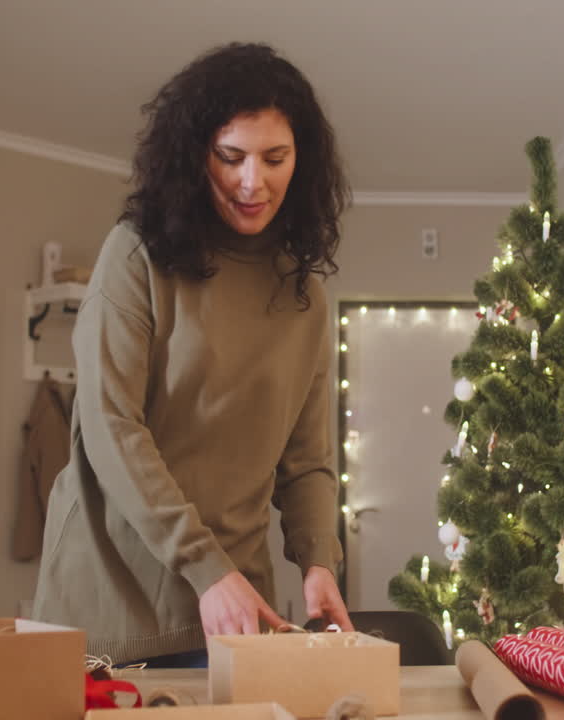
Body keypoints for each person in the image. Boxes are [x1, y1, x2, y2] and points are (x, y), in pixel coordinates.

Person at [33, 42, 353, 669]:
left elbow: (308, 459)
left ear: (302, 162)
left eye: (275, 157)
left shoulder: (305, 295)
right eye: (230, 157)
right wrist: (206, 567)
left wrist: (318, 560)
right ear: (193, 155)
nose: (252, 181)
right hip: (110, 604)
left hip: (235, 611)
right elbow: (111, 428)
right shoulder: (135, 256)